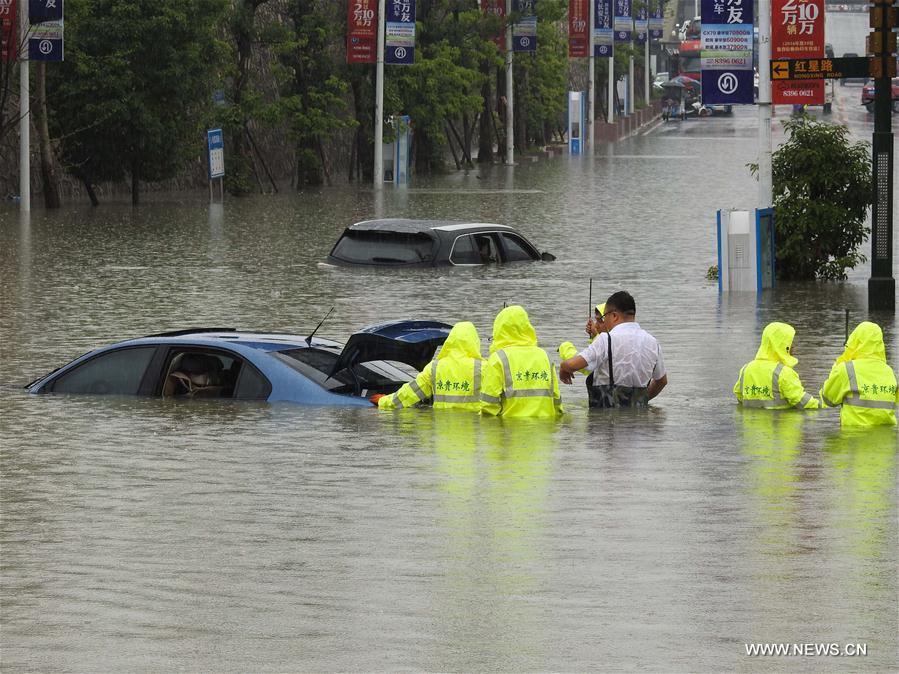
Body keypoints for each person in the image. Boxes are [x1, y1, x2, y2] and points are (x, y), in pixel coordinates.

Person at [559, 291, 667, 407]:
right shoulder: (653, 343)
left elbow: (573, 365)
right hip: (640, 422)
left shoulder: (606, 339)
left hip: (606, 421)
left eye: (605, 317)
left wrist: (563, 367)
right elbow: (661, 381)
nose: (604, 321)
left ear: (614, 316)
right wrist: (641, 400)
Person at [375, 321, 484, 411]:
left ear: (450, 340)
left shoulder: (435, 367)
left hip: (442, 433)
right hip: (472, 432)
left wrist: (383, 400)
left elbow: (410, 392)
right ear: (475, 342)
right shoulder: (483, 367)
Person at [480, 305, 563, 419]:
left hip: (510, 431)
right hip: (544, 432)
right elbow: (557, 402)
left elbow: (488, 406)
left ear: (499, 329)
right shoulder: (545, 356)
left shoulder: (498, 358)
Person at [819, 321, 897, 426]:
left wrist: (836, 368)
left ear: (854, 340)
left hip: (853, 438)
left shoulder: (846, 369)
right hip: (887, 439)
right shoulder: (890, 372)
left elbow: (828, 399)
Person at [733, 321, 819, 409]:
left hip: (748, 421)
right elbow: (801, 400)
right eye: (790, 342)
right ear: (782, 345)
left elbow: (739, 395)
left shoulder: (746, 369)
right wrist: (821, 406)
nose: (793, 346)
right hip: (780, 420)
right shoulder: (783, 372)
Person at [559, 303, 608, 405]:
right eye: (596, 320)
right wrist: (595, 336)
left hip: (604, 403)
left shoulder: (605, 342)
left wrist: (564, 347)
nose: (596, 325)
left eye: (600, 321)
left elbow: (587, 366)